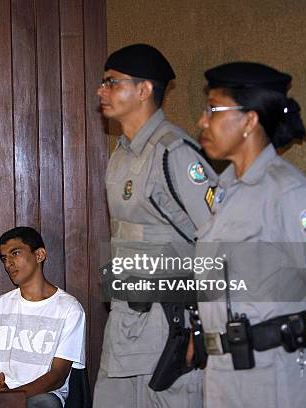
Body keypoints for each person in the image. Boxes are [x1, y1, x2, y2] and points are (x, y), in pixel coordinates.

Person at [195, 61, 306, 407]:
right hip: (223, 374)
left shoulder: (290, 193)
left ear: (250, 120)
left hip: (278, 376)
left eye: (213, 110)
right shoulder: (224, 192)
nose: (202, 122)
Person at [93, 43, 214, 408]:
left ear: (144, 90)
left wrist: (207, 328)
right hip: (125, 327)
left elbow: (221, 238)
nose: (101, 91)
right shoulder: (122, 154)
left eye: (112, 83)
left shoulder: (174, 153)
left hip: (168, 329)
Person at [0, 227, 86, 408]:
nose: (8, 263)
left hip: (41, 396)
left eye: (15, 253)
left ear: (39, 255)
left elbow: (58, 374)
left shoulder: (69, 309)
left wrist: (13, 397)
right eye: (4, 258)